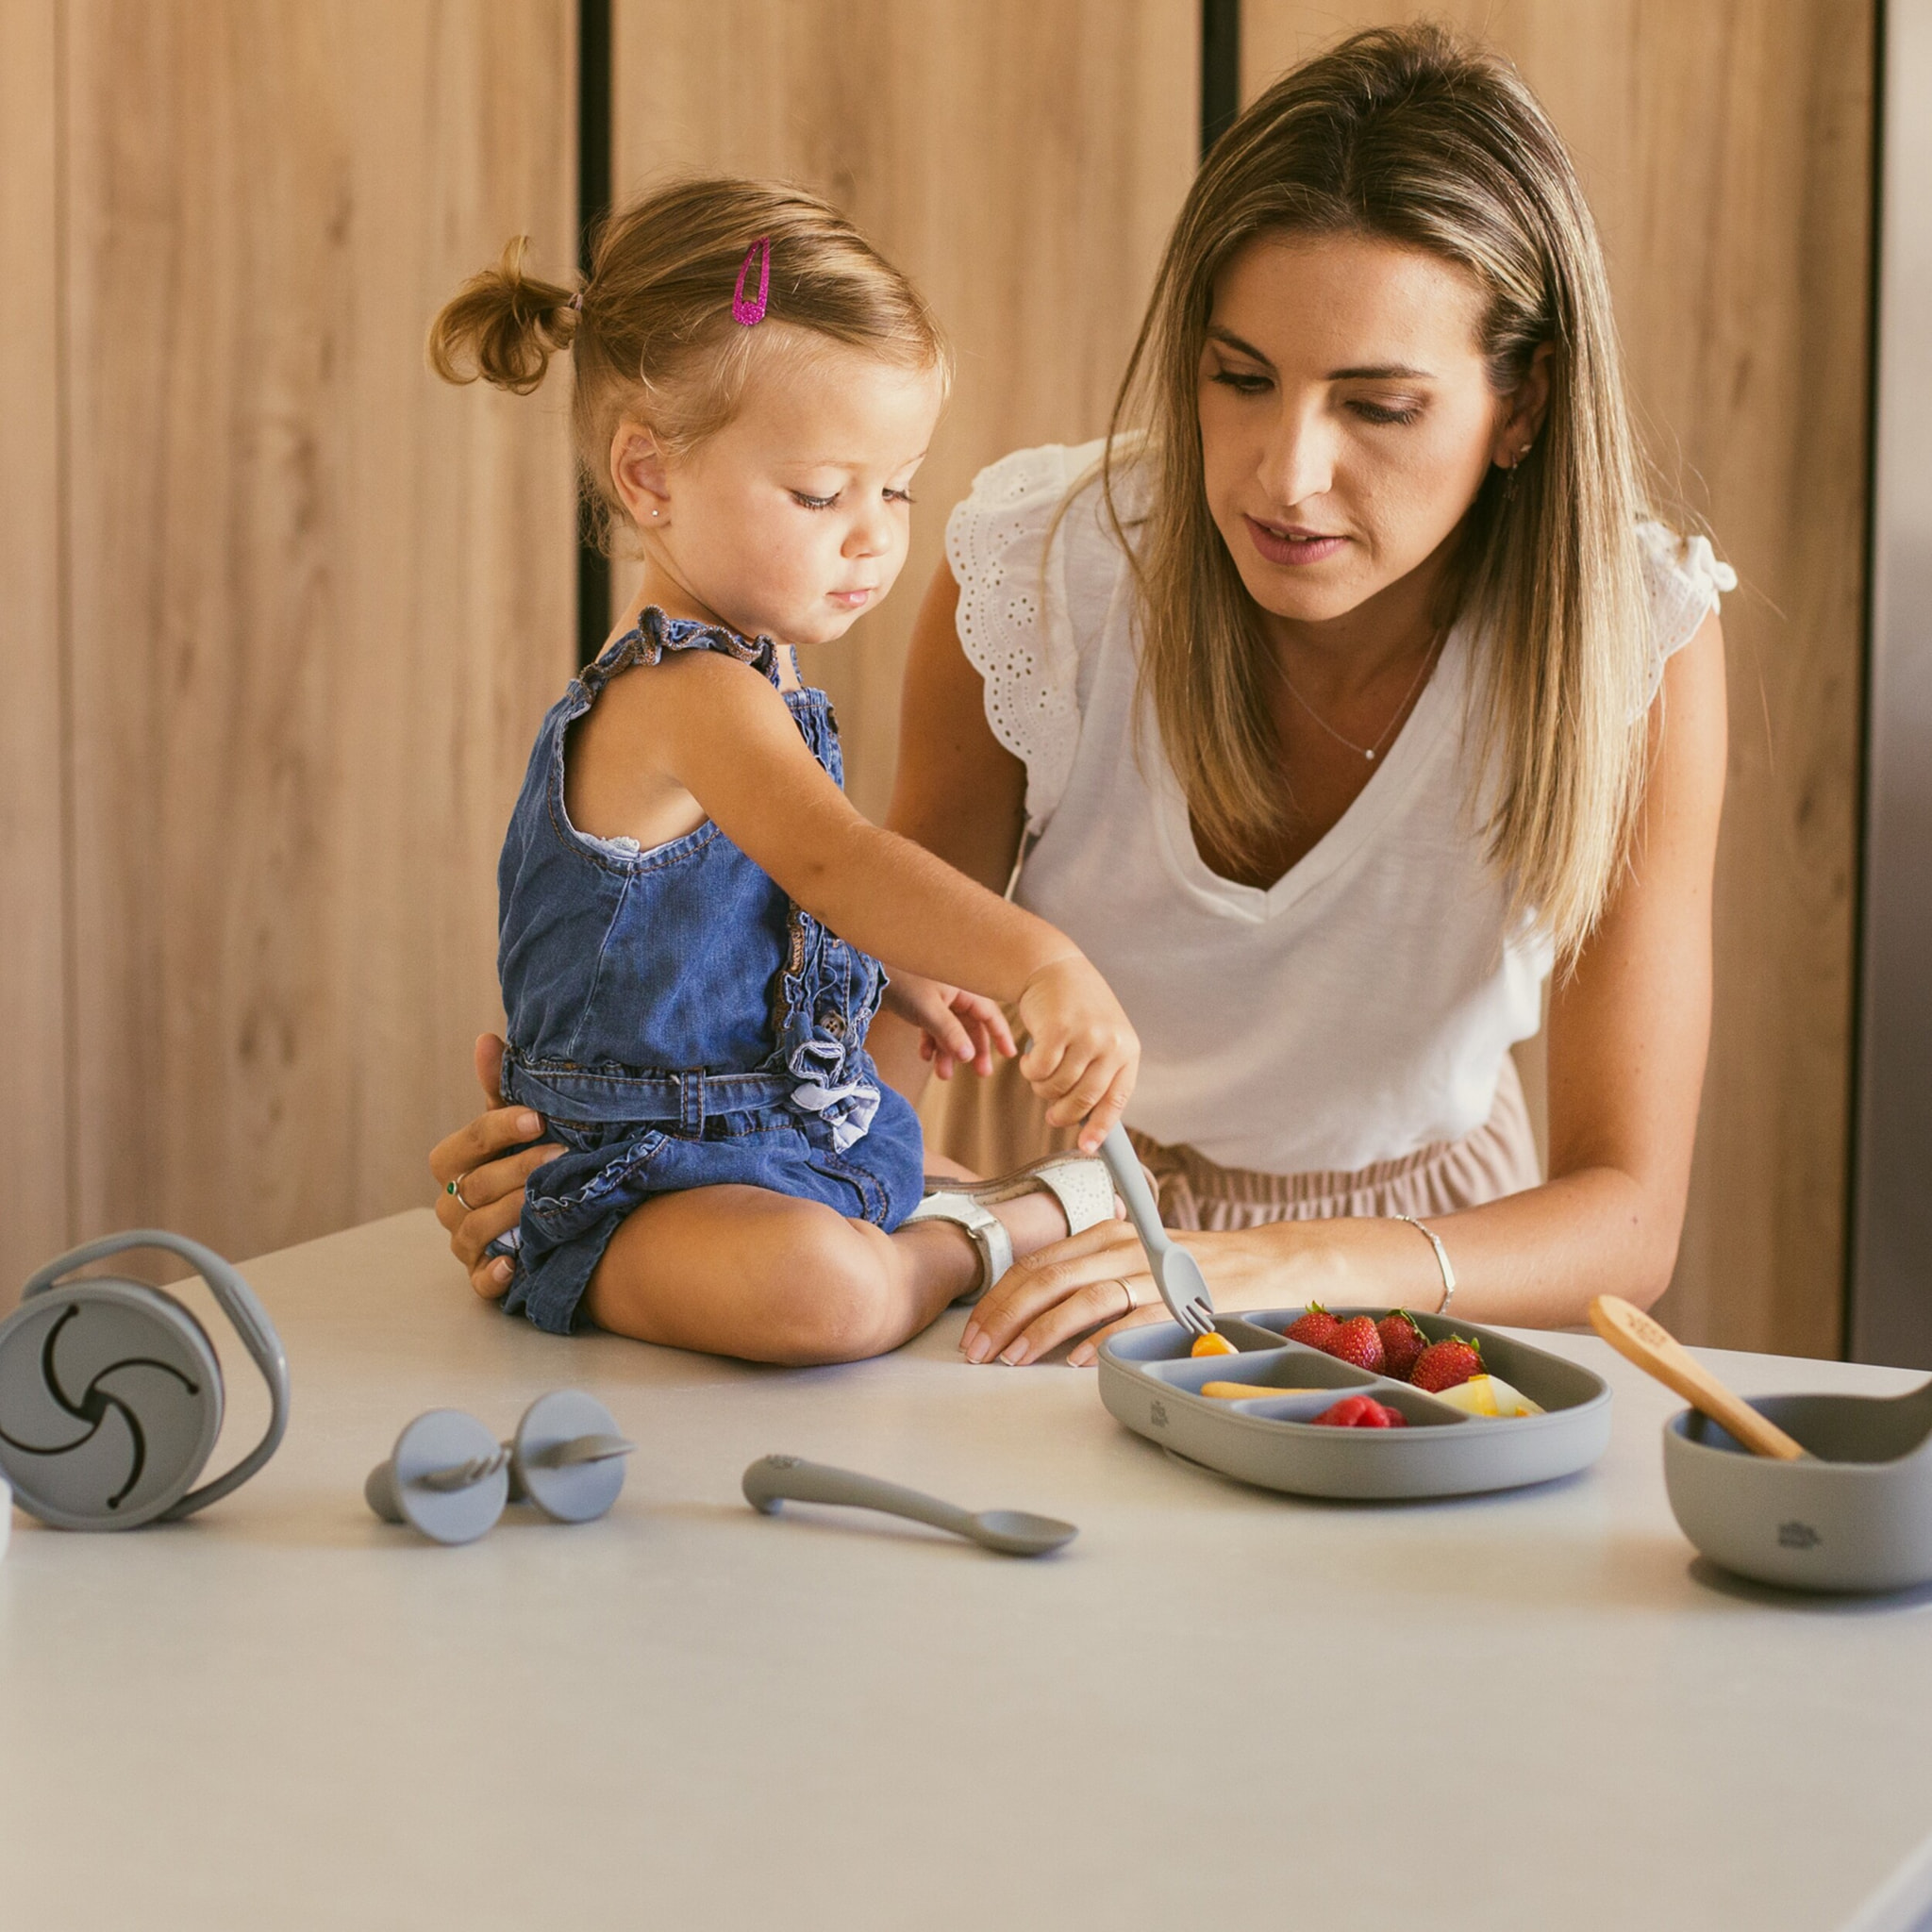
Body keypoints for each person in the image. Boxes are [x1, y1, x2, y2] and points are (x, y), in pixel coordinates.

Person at [436, 26, 1732, 1371]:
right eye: (1239, 378)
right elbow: (862, 992)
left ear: (1521, 403)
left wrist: (1282, 1261)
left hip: (1424, 1258)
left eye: (1380, 407)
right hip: (1043, 1238)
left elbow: (1629, 1221)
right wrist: (621, 1165)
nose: (1285, 473)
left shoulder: (1634, 640)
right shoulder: (1039, 572)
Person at [425, 179, 1137, 1364]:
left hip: (764, 1132)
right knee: (822, 1294)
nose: (874, 533)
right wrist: (1037, 962)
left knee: (869, 1182)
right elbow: (833, 860)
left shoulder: (763, 673)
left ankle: (972, 1208)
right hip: (626, 1171)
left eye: (895, 486)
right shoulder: (686, 690)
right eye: (819, 493)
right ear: (649, 477)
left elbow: (757, 900)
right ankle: (969, 1240)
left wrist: (890, 977)